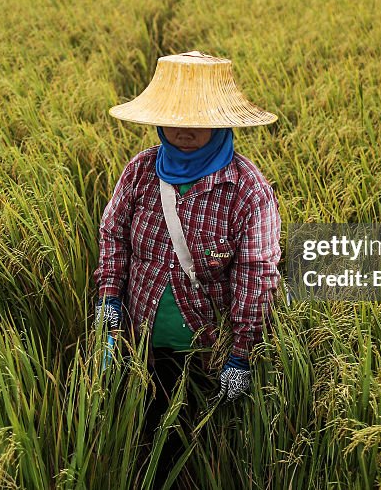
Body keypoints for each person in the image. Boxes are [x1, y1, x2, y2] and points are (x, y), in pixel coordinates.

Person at [94, 51, 281, 487]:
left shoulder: (247, 191)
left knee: (199, 457)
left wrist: (241, 356)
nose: (184, 127)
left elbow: (256, 276)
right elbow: (113, 237)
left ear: (221, 121)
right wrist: (108, 303)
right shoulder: (140, 172)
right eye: (174, 115)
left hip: (207, 359)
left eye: (199, 117)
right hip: (141, 349)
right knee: (143, 448)